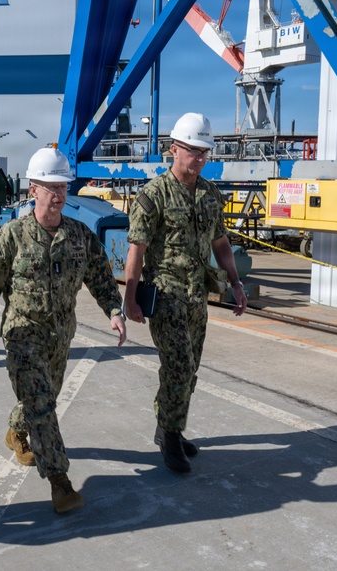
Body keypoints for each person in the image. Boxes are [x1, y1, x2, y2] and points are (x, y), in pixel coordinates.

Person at [0, 146, 126, 514]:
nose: (57, 195)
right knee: (41, 404)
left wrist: (113, 310)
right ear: (33, 190)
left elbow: (100, 276)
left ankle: (16, 429)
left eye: (62, 187)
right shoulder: (12, 236)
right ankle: (60, 481)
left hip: (61, 336)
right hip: (23, 335)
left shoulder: (79, 235)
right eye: (50, 187)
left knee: (44, 397)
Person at [123, 113, 248, 474]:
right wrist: (130, 298)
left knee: (190, 369)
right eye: (193, 151)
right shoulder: (153, 195)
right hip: (166, 296)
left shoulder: (210, 194)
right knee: (177, 366)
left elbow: (220, 242)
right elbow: (137, 250)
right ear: (173, 149)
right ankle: (170, 436)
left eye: (204, 152)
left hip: (197, 296)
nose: (199, 158)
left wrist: (236, 282)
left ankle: (169, 427)